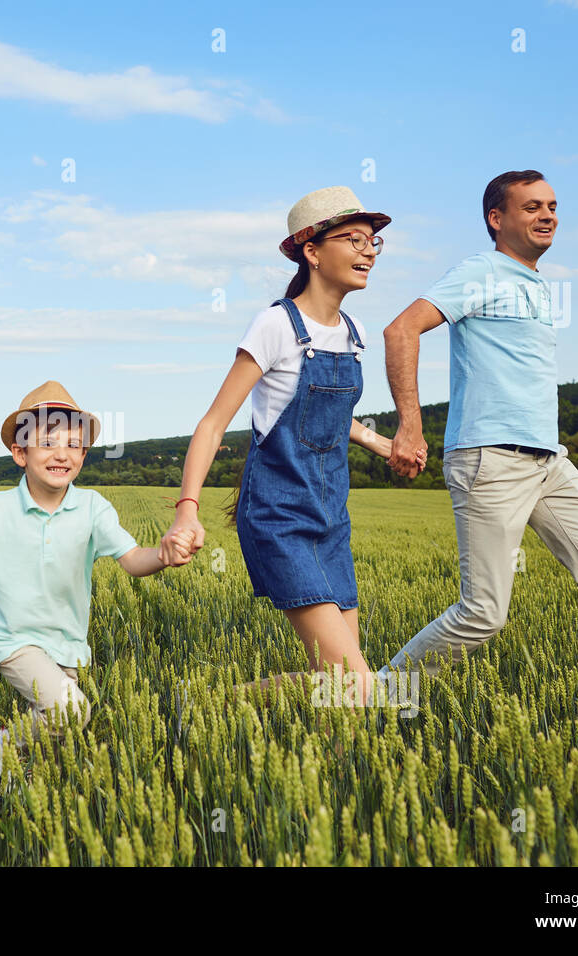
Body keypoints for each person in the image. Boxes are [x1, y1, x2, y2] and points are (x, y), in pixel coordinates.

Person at [160, 187, 421, 706]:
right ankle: (203, 713)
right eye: (354, 239)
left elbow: (329, 414)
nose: (369, 251)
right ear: (312, 250)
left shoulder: (353, 330)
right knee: (357, 684)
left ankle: (208, 706)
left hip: (330, 517)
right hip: (279, 517)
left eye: (375, 242)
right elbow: (213, 424)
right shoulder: (277, 324)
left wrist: (380, 443)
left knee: (340, 686)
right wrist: (187, 510)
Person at [381, 169, 578, 679]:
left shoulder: (536, 285)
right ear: (496, 219)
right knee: (482, 613)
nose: (547, 215)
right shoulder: (481, 272)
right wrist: (410, 426)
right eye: (532, 207)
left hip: (548, 461)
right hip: (491, 459)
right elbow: (401, 329)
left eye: (551, 206)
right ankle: (383, 695)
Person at [0, 381, 193, 766]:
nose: (61, 454)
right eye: (47, 443)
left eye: (73, 444)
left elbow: (132, 560)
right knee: (73, 712)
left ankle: (11, 778)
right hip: (12, 640)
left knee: (58, 735)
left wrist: (164, 554)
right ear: (20, 453)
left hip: (68, 645)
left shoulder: (93, 508)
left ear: (83, 453)